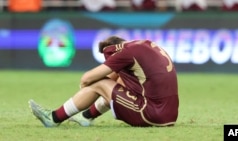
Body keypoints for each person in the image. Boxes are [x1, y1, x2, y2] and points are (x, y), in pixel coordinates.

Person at [28, 36, 179, 127]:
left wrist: (89, 87)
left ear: (112, 50)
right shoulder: (142, 46)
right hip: (169, 115)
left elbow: (86, 79)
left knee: (99, 83)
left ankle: (53, 118)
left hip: (150, 114)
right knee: (116, 83)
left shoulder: (124, 53)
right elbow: (117, 86)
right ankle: (86, 117)